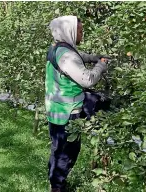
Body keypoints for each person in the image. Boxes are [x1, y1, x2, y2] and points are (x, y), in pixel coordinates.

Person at [45, 15, 110, 192]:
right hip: (67, 111)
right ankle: (57, 187)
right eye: (79, 31)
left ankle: (54, 181)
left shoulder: (58, 48)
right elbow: (87, 79)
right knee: (68, 152)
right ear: (70, 32)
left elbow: (80, 56)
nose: (82, 34)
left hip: (56, 109)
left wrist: (94, 57)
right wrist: (101, 66)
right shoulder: (66, 56)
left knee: (58, 148)